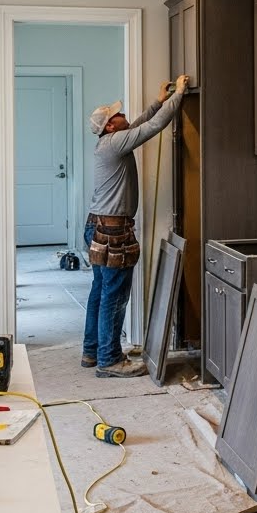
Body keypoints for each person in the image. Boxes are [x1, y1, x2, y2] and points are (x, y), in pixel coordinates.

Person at [82, 74, 190, 377]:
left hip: (98, 227)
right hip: (112, 232)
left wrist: (159, 100)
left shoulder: (112, 140)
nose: (123, 114)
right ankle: (110, 360)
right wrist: (178, 95)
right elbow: (152, 127)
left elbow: (141, 121)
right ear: (110, 125)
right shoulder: (115, 143)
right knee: (114, 296)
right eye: (118, 114)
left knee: (100, 291)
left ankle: (93, 352)